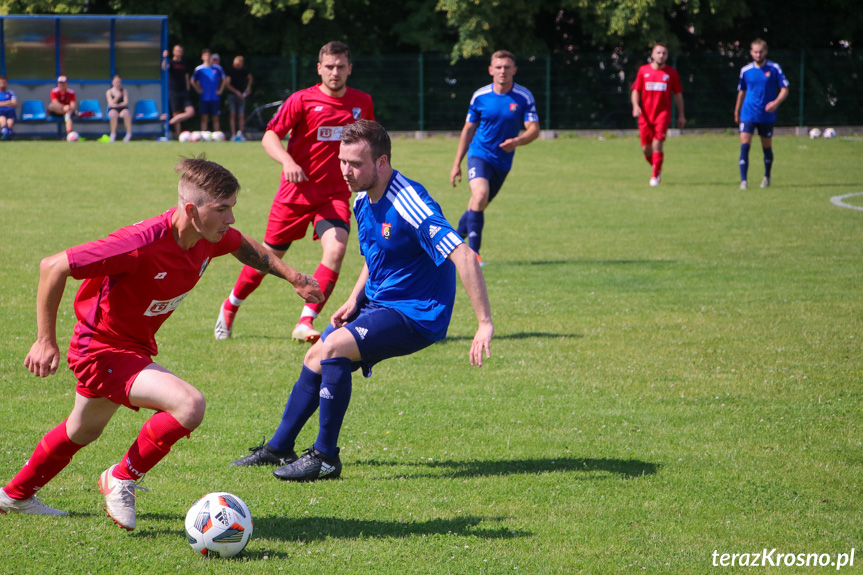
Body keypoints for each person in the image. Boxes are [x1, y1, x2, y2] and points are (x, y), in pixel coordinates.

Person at [0, 157, 322, 528]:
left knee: (82, 429)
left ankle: (15, 495)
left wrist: (294, 276)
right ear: (191, 209)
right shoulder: (138, 244)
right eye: (222, 209)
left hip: (132, 346)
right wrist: (45, 341)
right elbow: (53, 266)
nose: (230, 219)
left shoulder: (207, 236)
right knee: (189, 405)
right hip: (101, 348)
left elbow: (246, 246)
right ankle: (122, 477)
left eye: (232, 208)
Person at [231, 120, 494, 481]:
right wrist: (354, 299)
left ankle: (325, 457)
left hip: (418, 311)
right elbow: (375, 257)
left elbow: (463, 255)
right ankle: (279, 447)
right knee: (315, 354)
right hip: (380, 303)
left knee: (335, 347)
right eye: (342, 160)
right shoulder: (360, 197)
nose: (345, 170)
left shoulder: (409, 202)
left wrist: (484, 324)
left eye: (355, 163)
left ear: (382, 163)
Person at [214, 41, 374, 343]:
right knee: (267, 258)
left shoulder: (362, 102)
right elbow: (270, 135)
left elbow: (369, 145)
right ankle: (231, 305)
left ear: (350, 68)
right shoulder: (302, 100)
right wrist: (287, 160)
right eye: (329, 66)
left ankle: (306, 320)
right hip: (295, 196)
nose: (335, 72)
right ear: (319, 68)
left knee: (337, 250)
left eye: (341, 66)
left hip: (333, 196)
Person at [450, 50, 539, 266]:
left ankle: (448, 245)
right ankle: (474, 255)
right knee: (479, 195)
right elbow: (468, 130)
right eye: (498, 67)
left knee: (477, 204)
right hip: (479, 154)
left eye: (507, 67)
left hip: (502, 162)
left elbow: (534, 129)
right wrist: (456, 163)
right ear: (491, 70)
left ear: (514, 70)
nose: (503, 71)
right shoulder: (480, 96)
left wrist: (517, 141)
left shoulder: (523, 96)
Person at [734, 39, 790, 190]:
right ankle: (743, 181)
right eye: (755, 52)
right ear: (751, 52)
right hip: (748, 113)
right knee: (744, 146)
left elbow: (785, 89)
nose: (758, 55)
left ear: (766, 52)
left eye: (761, 52)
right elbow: (742, 91)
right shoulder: (745, 70)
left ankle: (766, 176)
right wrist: (737, 110)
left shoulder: (774, 68)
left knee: (766, 147)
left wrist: (775, 103)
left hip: (766, 115)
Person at [630, 42, 686, 187]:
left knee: (657, 144)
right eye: (658, 52)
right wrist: (636, 106)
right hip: (646, 116)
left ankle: (655, 176)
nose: (661, 55)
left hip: (662, 115)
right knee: (645, 149)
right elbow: (636, 90)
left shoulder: (671, 73)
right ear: (652, 55)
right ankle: (657, 168)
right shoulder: (644, 71)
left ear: (667, 56)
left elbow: (678, 95)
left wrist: (681, 115)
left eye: (664, 53)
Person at [162, 44, 196, 139]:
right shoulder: (171, 62)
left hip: (184, 91)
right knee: (176, 113)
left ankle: (170, 122)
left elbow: (186, 77)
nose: (179, 52)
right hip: (174, 91)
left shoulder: (184, 63)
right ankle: (178, 136)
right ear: (173, 52)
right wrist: (165, 58)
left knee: (190, 112)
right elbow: (164, 68)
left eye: (180, 51)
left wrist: (188, 89)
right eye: (177, 50)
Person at [191, 48, 226, 132]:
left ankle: (217, 134)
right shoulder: (199, 69)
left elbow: (224, 79)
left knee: (215, 117)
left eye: (209, 55)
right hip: (204, 97)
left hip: (215, 97)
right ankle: (204, 135)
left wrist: (220, 90)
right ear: (202, 57)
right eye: (205, 55)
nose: (207, 57)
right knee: (204, 117)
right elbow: (192, 81)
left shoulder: (217, 68)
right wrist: (198, 90)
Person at [225, 55, 253, 141]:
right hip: (232, 95)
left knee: (241, 114)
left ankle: (240, 134)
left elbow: (250, 78)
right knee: (232, 114)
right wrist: (236, 92)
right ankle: (233, 134)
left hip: (242, 95)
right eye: (237, 63)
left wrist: (248, 88)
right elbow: (227, 84)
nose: (239, 65)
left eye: (240, 64)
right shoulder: (230, 71)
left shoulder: (243, 70)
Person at [105, 74, 133, 142]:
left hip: (122, 109)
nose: (118, 84)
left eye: (119, 82)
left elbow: (125, 102)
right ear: (112, 82)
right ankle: (113, 134)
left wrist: (117, 105)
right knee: (113, 114)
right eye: (116, 82)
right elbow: (110, 104)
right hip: (113, 110)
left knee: (126, 113)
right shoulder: (109, 92)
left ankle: (129, 134)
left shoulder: (124, 91)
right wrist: (117, 97)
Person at [0, 75, 17, 140]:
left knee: (10, 121)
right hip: (0, 112)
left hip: (10, 112)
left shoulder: (10, 93)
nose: (2, 84)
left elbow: (15, 104)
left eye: (4, 82)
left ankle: (8, 133)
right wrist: (9, 102)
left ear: (6, 83)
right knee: (2, 119)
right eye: (1, 82)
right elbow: (11, 103)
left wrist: (2, 103)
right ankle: (5, 132)